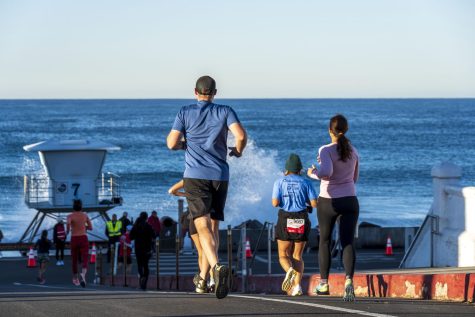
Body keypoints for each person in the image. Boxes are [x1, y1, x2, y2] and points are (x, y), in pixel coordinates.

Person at [167, 75, 247, 299]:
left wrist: (186, 144)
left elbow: (171, 143)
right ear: (215, 93)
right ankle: (205, 279)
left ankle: (217, 267)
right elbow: (240, 136)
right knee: (213, 227)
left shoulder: (184, 112)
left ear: (195, 91)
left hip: (195, 176)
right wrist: (238, 152)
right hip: (220, 176)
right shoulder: (225, 110)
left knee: (201, 227)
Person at [307, 114, 360, 302]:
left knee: (325, 241)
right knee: (348, 242)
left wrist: (313, 172)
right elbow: (354, 178)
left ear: (330, 130)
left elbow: (326, 173)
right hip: (350, 199)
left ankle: (324, 283)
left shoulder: (326, 150)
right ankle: (348, 281)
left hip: (329, 201)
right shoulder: (353, 150)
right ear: (345, 130)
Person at [272, 153, 317, 296]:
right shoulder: (306, 182)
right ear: (299, 170)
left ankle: (289, 270)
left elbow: (275, 203)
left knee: (283, 254)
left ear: (286, 170)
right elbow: (314, 204)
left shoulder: (279, 182)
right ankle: (297, 287)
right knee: (297, 255)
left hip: (285, 217)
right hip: (301, 217)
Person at [169, 180, 215, 293]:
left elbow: (171, 191)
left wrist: (187, 194)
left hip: (193, 218)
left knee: (201, 252)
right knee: (210, 250)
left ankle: (203, 279)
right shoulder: (209, 178)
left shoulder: (189, 180)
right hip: (207, 216)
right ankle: (212, 279)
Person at [67, 199, 93, 287]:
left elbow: (68, 224)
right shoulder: (85, 215)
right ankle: (83, 274)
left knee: (74, 260)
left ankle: (75, 278)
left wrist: (68, 231)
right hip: (83, 238)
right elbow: (90, 227)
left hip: (74, 238)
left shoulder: (70, 216)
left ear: (73, 207)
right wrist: (84, 226)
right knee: (85, 258)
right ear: (81, 206)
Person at [130, 211, 155, 290]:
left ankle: (141, 278)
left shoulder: (136, 226)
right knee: (146, 265)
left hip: (138, 248)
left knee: (139, 265)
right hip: (147, 249)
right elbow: (154, 236)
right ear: (146, 218)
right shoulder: (149, 226)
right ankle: (145, 282)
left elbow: (131, 236)